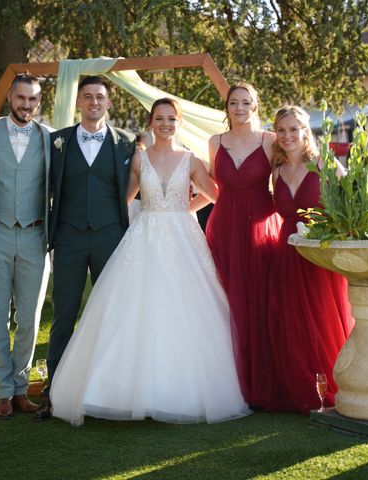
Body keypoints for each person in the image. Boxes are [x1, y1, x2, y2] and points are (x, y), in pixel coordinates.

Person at [50, 98, 250, 426]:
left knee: (186, 311)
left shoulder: (191, 159)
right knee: (133, 309)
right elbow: (123, 199)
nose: (166, 124)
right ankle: (124, 391)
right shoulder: (139, 159)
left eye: (171, 118)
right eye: (159, 118)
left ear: (179, 122)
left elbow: (216, 195)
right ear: (151, 121)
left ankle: (180, 391)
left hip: (183, 238)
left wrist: (186, 209)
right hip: (143, 237)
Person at [36, 76, 137, 420]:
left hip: (111, 238)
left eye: (100, 97)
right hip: (69, 239)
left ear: (109, 104)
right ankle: (55, 392)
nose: (94, 102)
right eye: (88, 97)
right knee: (64, 315)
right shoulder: (57, 142)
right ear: (78, 102)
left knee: (110, 316)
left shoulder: (127, 143)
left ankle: (107, 391)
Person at [268, 106, 353, 413]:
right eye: (282, 130)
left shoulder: (323, 163)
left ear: (306, 131)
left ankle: (332, 385)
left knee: (322, 318)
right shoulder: (275, 172)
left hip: (318, 252)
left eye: (294, 129)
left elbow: (350, 197)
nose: (288, 135)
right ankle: (300, 388)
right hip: (287, 250)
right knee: (292, 320)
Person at [203, 83, 281, 409]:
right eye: (233, 102)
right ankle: (229, 381)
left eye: (245, 102)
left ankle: (261, 382)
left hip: (261, 228)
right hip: (222, 228)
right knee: (226, 301)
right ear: (226, 106)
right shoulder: (214, 142)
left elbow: (289, 175)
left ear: (255, 105)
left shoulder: (270, 140)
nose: (239, 107)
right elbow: (210, 187)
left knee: (259, 302)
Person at [0, 72, 51, 419]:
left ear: (39, 101)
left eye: (33, 99)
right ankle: (2, 392)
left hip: (37, 236)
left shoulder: (50, 138)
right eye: (21, 98)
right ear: (10, 97)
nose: (26, 105)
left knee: (30, 318)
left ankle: (21, 389)